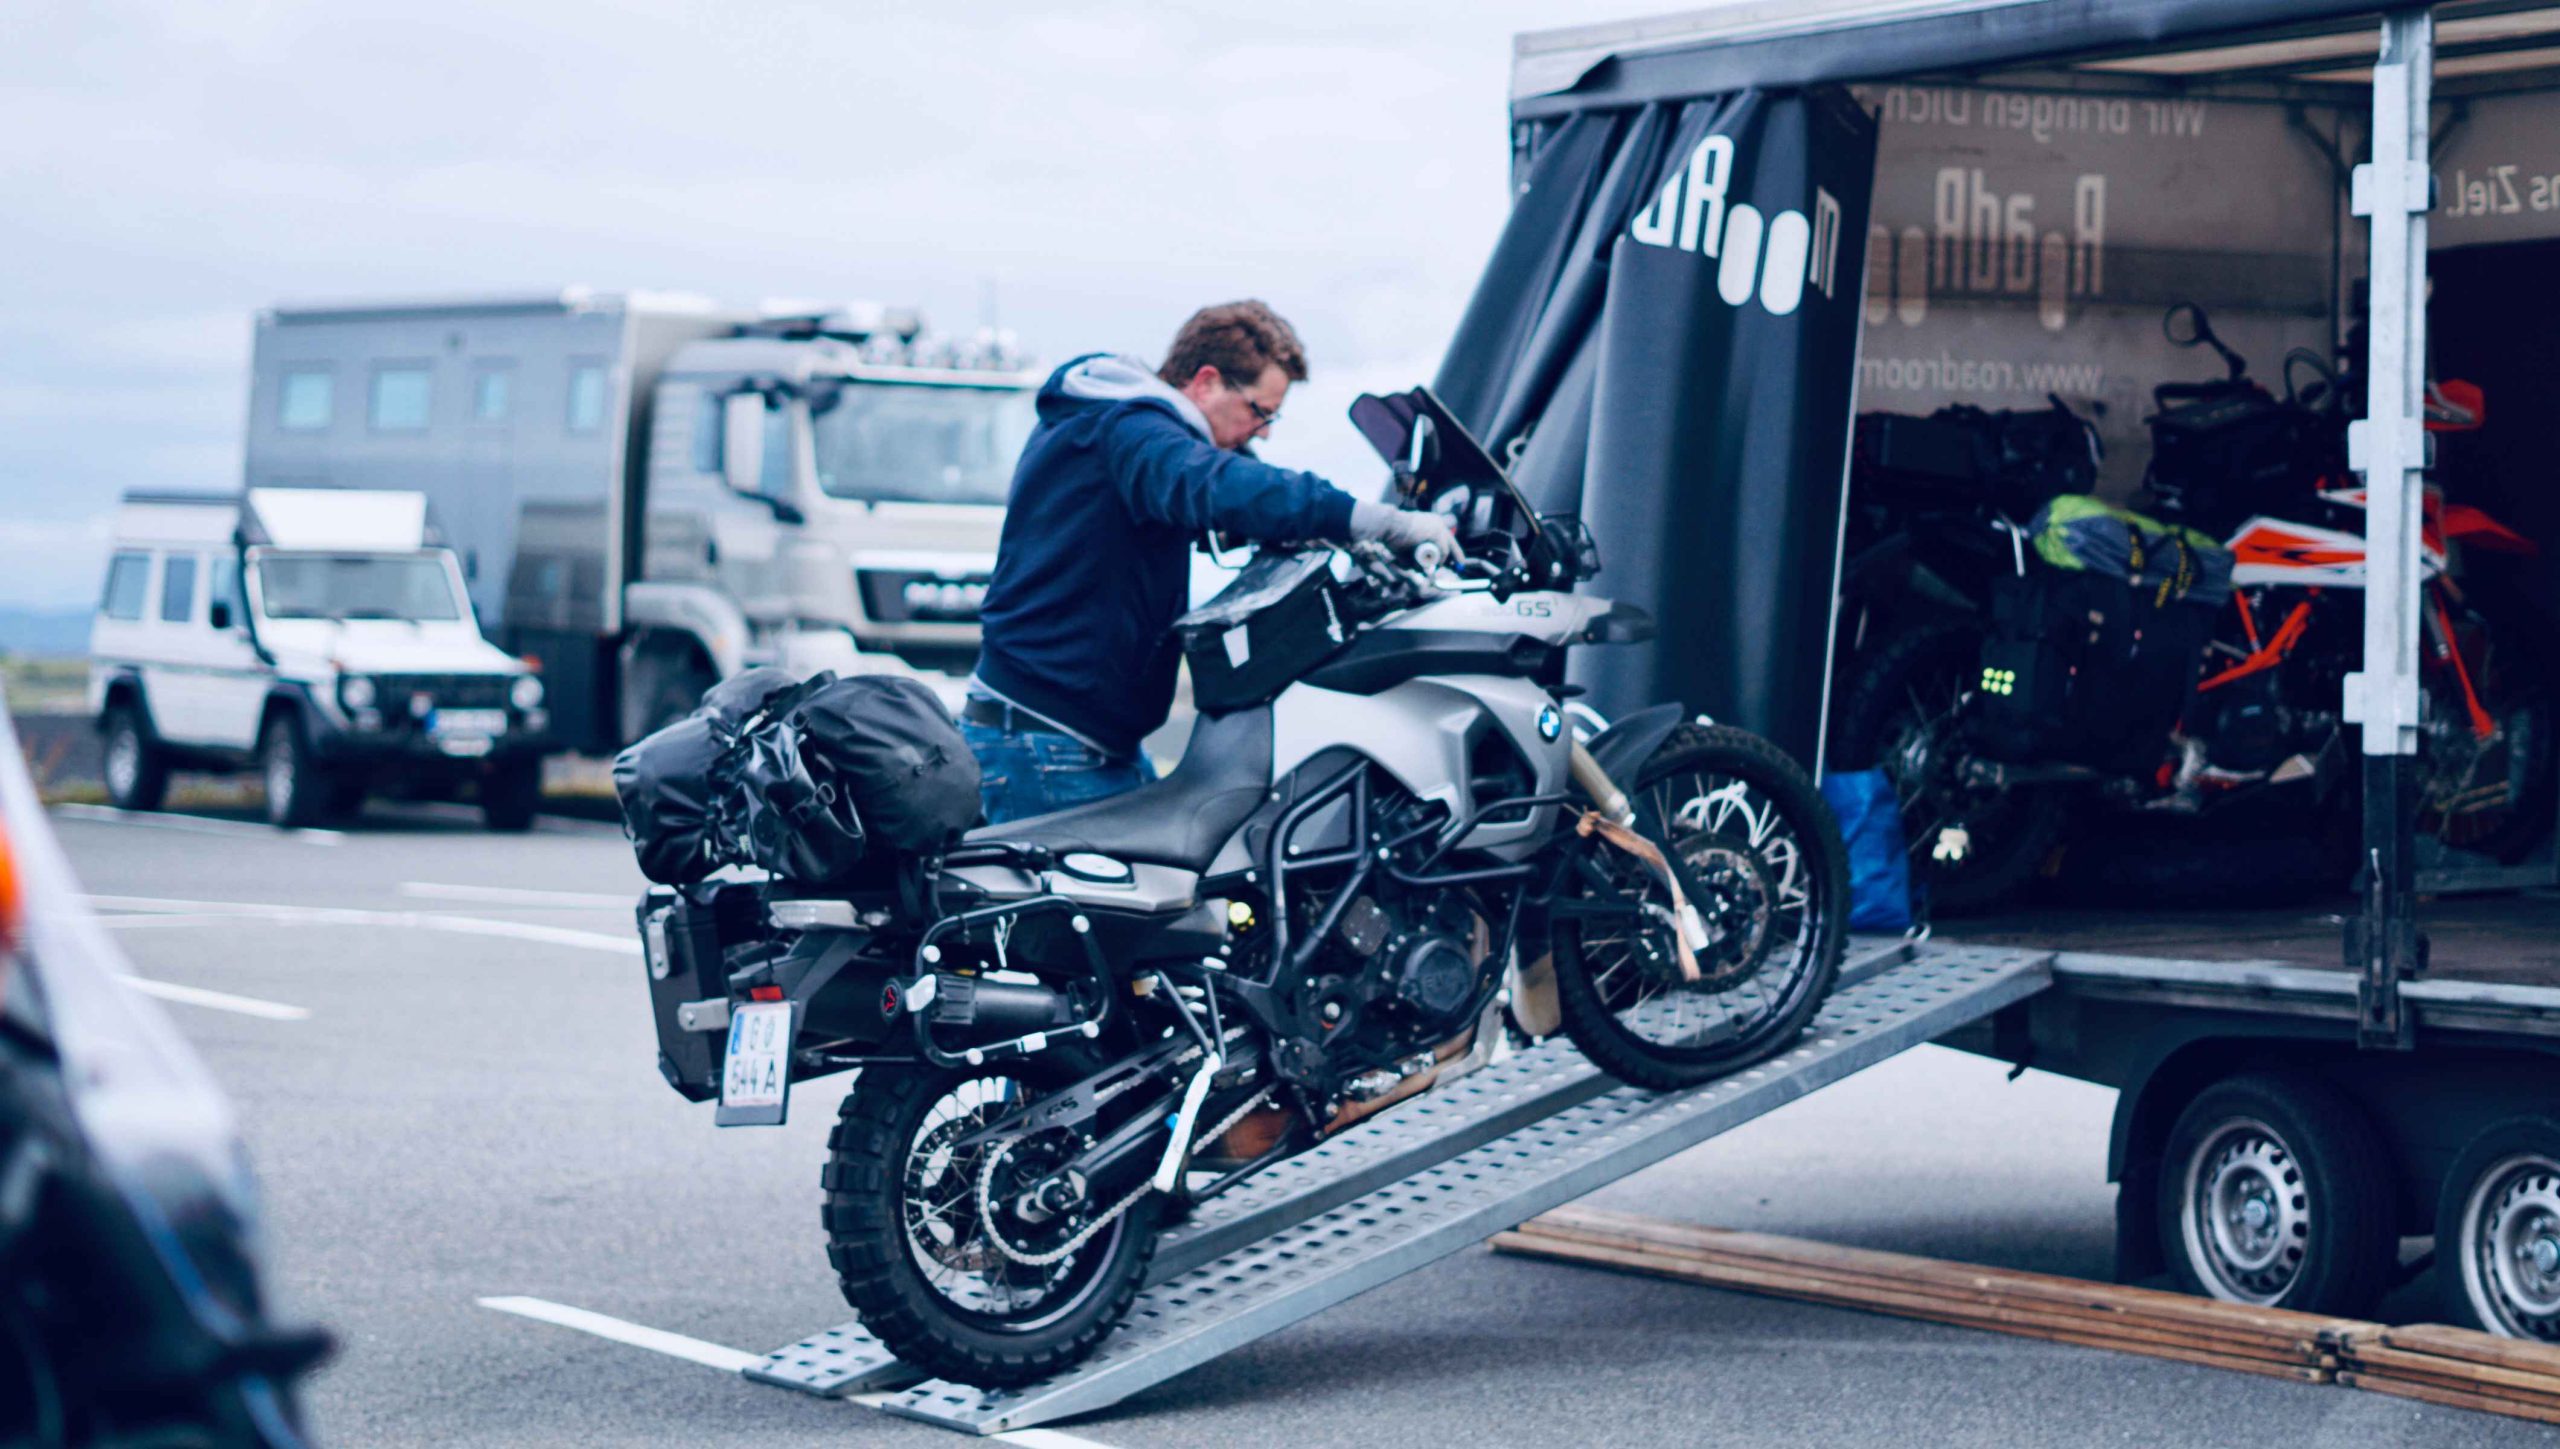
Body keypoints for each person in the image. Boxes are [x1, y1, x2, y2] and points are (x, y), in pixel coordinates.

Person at [964, 300, 1455, 824]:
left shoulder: (1117, 427)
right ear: (1205, 382)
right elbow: (1218, 485)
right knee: (1127, 905)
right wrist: (1378, 522)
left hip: (1080, 741)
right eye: (1259, 412)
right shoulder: (1132, 433)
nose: (1264, 431)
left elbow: (1226, 488)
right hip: (1048, 747)